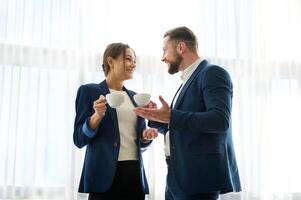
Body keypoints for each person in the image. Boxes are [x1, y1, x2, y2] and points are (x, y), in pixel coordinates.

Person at [134, 27, 241, 200]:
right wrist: (157, 118)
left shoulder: (213, 73)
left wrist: (171, 116)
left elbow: (220, 120)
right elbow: (184, 127)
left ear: (181, 47)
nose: (163, 58)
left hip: (198, 180)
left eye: (164, 50)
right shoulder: (188, 80)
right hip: (177, 178)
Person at [73, 42, 158, 200]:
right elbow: (79, 139)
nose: (133, 64)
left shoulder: (135, 97)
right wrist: (96, 116)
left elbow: (138, 140)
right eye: (128, 59)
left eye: (134, 61)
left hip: (134, 175)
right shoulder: (89, 91)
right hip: (102, 176)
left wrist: (145, 137)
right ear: (110, 61)